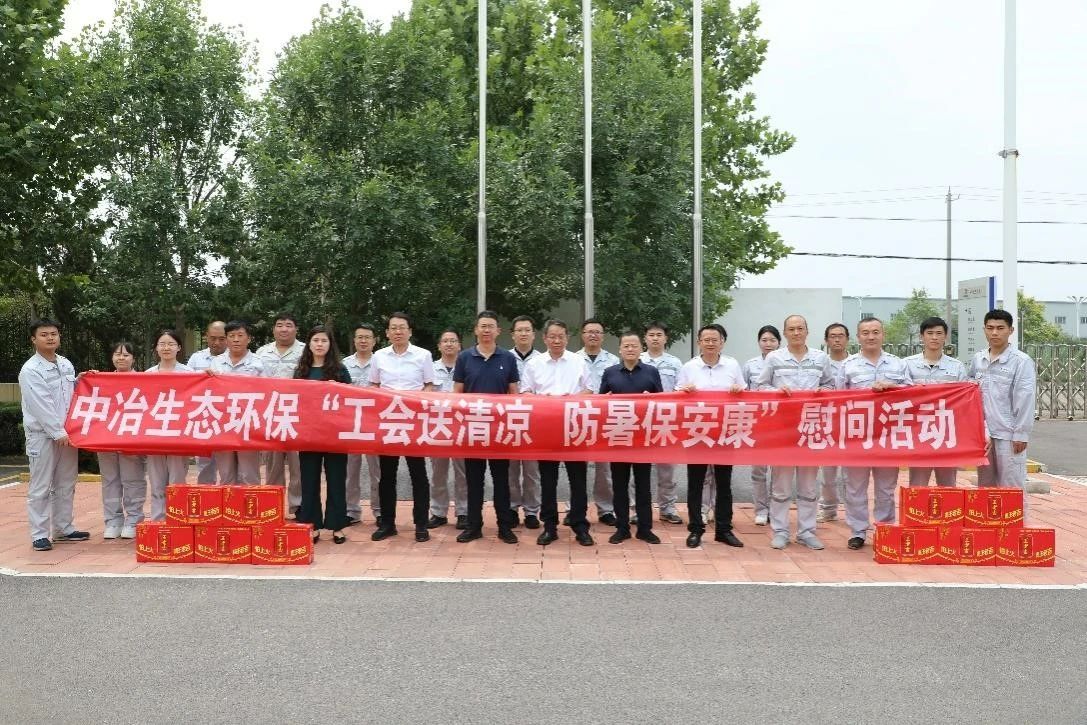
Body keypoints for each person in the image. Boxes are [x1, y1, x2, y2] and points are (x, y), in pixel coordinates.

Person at [756, 316, 835, 550]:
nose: (796, 333)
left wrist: (823, 391)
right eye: (791, 329)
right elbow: (760, 386)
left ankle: (807, 532)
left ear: (807, 332)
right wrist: (776, 391)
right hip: (783, 429)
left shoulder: (821, 358)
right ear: (785, 333)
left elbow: (831, 385)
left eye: (800, 328)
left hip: (811, 428)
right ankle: (780, 531)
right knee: (781, 486)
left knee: (809, 486)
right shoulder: (774, 358)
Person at [836, 317, 913, 550]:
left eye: (875, 332)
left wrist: (893, 387)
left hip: (888, 436)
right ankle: (858, 531)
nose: (871, 337)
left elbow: (913, 394)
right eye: (866, 332)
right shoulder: (848, 365)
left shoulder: (898, 364)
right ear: (858, 336)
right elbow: (837, 400)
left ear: (883, 334)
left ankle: (884, 529)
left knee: (885, 488)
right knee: (855, 487)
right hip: (857, 436)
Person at [521, 319, 594, 546]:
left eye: (561, 336)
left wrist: (570, 401)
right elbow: (525, 393)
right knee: (548, 480)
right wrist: (544, 401)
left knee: (578, 480)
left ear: (567, 338)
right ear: (544, 339)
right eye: (552, 336)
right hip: (546, 428)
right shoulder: (534, 364)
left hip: (574, 427)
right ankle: (549, 526)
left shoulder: (578, 361)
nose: (556, 340)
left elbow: (590, 390)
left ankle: (580, 526)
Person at [19, 318, 89, 551]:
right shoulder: (31, 370)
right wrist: (58, 432)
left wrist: (81, 381)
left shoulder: (66, 364)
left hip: (67, 435)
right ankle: (39, 534)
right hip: (43, 436)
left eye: (54, 334)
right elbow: (41, 405)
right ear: (34, 339)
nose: (50, 338)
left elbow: (69, 394)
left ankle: (63, 528)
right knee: (40, 486)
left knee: (66, 483)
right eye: (44, 334)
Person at [452, 311, 521, 544]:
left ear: (498, 331)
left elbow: (513, 394)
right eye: (483, 326)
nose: (487, 330)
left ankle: (504, 527)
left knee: (502, 481)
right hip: (473, 429)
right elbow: (457, 394)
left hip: (500, 430)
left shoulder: (508, 358)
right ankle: (474, 526)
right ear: (476, 330)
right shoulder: (464, 357)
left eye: (491, 326)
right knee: (474, 481)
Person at [676, 323, 746, 548]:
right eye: (706, 339)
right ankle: (695, 529)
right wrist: (684, 391)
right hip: (697, 431)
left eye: (715, 339)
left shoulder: (732, 365)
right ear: (699, 342)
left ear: (722, 342)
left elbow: (744, 393)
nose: (710, 343)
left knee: (724, 483)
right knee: (696, 483)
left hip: (725, 431)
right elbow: (676, 397)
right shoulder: (689, 367)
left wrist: (738, 391)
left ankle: (724, 529)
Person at [369, 312, 434, 542]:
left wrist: (416, 401)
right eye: (393, 328)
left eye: (402, 327)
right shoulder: (379, 356)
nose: (398, 331)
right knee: (387, 475)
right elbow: (374, 385)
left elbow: (429, 386)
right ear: (387, 333)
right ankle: (387, 523)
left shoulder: (423, 355)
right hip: (389, 421)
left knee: (419, 474)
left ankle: (421, 525)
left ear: (410, 331)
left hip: (413, 421)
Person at [599, 332, 663, 544]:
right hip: (618, 436)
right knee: (619, 485)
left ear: (640, 348)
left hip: (642, 438)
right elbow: (601, 403)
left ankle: (645, 528)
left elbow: (662, 402)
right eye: (626, 345)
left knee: (643, 486)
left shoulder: (651, 372)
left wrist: (650, 400)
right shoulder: (610, 372)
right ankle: (622, 527)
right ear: (620, 349)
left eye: (634, 345)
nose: (630, 349)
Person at [294, 325, 353, 544]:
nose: (320, 344)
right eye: (316, 340)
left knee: (336, 478)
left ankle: (337, 526)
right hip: (309, 434)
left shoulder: (340, 370)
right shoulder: (301, 371)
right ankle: (313, 525)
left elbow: (351, 401)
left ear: (330, 344)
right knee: (309, 480)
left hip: (335, 434)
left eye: (324, 341)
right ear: (309, 344)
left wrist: (337, 389)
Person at [967, 309, 1036, 494]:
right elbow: (970, 392)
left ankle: (1015, 516)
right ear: (984, 330)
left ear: (1011, 330)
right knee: (985, 486)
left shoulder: (1021, 361)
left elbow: (1025, 399)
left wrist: (1021, 434)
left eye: (1000, 328)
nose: (995, 333)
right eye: (990, 328)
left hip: (1009, 434)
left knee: (1011, 488)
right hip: (984, 434)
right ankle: (988, 515)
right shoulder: (978, 359)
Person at [904, 316, 968, 487]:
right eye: (930, 333)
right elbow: (901, 396)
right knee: (917, 485)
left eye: (939, 333)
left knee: (948, 485)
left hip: (947, 434)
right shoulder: (907, 365)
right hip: (918, 433)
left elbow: (965, 401)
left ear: (945, 336)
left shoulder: (957, 367)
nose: (934, 337)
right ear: (921, 336)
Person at [256, 312, 306, 516]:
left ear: (296, 329)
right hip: (271, 416)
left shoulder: (305, 351)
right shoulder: (262, 352)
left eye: (288, 325)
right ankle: (272, 507)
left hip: (297, 416)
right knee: (272, 466)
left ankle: (298, 507)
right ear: (273, 329)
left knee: (298, 466)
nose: (284, 329)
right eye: (279, 325)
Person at [98, 342, 147, 539]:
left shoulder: (144, 381)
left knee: (132, 479)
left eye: (126, 355)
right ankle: (112, 520)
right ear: (112, 358)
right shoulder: (102, 381)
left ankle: (134, 519)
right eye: (117, 354)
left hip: (132, 437)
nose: (121, 358)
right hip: (106, 437)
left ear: (133, 358)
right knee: (109, 480)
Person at [638, 321, 685, 525]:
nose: (655, 338)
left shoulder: (675, 363)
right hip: (639, 422)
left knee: (667, 469)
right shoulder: (637, 359)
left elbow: (680, 389)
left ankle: (667, 508)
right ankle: (637, 509)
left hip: (666, 421)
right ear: (645, 338)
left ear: (666, 338)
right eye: (651, 334)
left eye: (659, 334)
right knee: (639, 468)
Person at [209, 320, 266, 484]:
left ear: (249, 339)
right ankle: (229, 502)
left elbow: (267, 392)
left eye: (240, 335)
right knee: (226, 474)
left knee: (249, 474)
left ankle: (250, 502)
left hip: (249, 424)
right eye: (231, 336)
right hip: (223, 423)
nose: (235, 339)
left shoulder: (259, 363)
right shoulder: (216, 362)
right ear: (226, 339)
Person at [145, 330, 193, 521]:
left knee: (177, 480)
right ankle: (158, 519)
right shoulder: (147, 374)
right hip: (153, 434)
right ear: (156, 348)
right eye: (162, 344)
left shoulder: (189, 374)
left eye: (171, 344)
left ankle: (176, 518)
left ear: (179, 348)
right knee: (156, 480)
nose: (166, 348)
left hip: (179, 435)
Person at [576, 318, 620, 525]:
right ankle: (575, 508)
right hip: (578, 419)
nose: (593, 335)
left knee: (605, 468)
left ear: (603, 336)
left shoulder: (614, 361)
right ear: (582, 335)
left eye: (597, 332)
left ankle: (606, 509)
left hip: (605, 420)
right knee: (576, 467)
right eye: (589, 332)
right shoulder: (572, 359)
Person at [427, 328, 468, 530]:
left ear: (459, 345)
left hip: (462, 426)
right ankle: (438, 512)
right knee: (438, 472)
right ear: (439, 346)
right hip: (438, 426)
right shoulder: (430, 368)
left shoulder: (468, 366)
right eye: (445, 341)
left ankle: (463, 512)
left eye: (453, 340)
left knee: (463, 472)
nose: (449, 344)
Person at [343, 323, 382, 526]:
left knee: (378, 471)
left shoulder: (381, 362)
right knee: (350, 471)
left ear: (374, 341)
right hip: (350, 425)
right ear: (354, 340)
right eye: (360, 337)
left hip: (375, 424)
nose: (363, 341)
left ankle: (380, 510)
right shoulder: (344, 364)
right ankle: (351, 510)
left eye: (367, 337)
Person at [742, 324, 781, 527]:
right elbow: (744, 392)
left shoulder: (784, 363)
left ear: (779, 342)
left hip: (780, 422)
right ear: (759, 343)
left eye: (772, 340)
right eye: (764, 340)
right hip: (758, 422)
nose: (768, 344)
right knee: (758, 470)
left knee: (778, 470)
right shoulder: (750, 365)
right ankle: (760, 510)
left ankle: (776, 510)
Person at [507, 315, 542, 529]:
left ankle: (531, 511)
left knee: (532, 470)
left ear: (534, 334)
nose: (523, 333)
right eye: (519, 330)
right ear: (512, 334)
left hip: (535, 421)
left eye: (527, 330)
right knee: (510, 469)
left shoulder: (542, 359)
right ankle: (512, 508)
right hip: (509, 420)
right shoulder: (503, 357)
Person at [817, 322, 852, 522]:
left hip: (852, 424)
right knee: (828, 473)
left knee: (851, 474)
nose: (837, 339)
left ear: (848, 339)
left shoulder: (856, 363)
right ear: (826, 340)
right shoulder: (820, 363)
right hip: (827, 423)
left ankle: (853, 512)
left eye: (841, 336)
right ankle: (828, 508)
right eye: (832, 336)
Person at [187, 321, 227, 484]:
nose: (217, 342)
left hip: (228, 418)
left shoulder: (235, 357)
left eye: (222, 339)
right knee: (204, 464)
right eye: (213, 338)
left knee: (229, 465)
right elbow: (186, 383)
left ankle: (231, 498)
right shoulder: (196, 358)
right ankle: (206, 496)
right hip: (203, 418)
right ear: (206, 337)